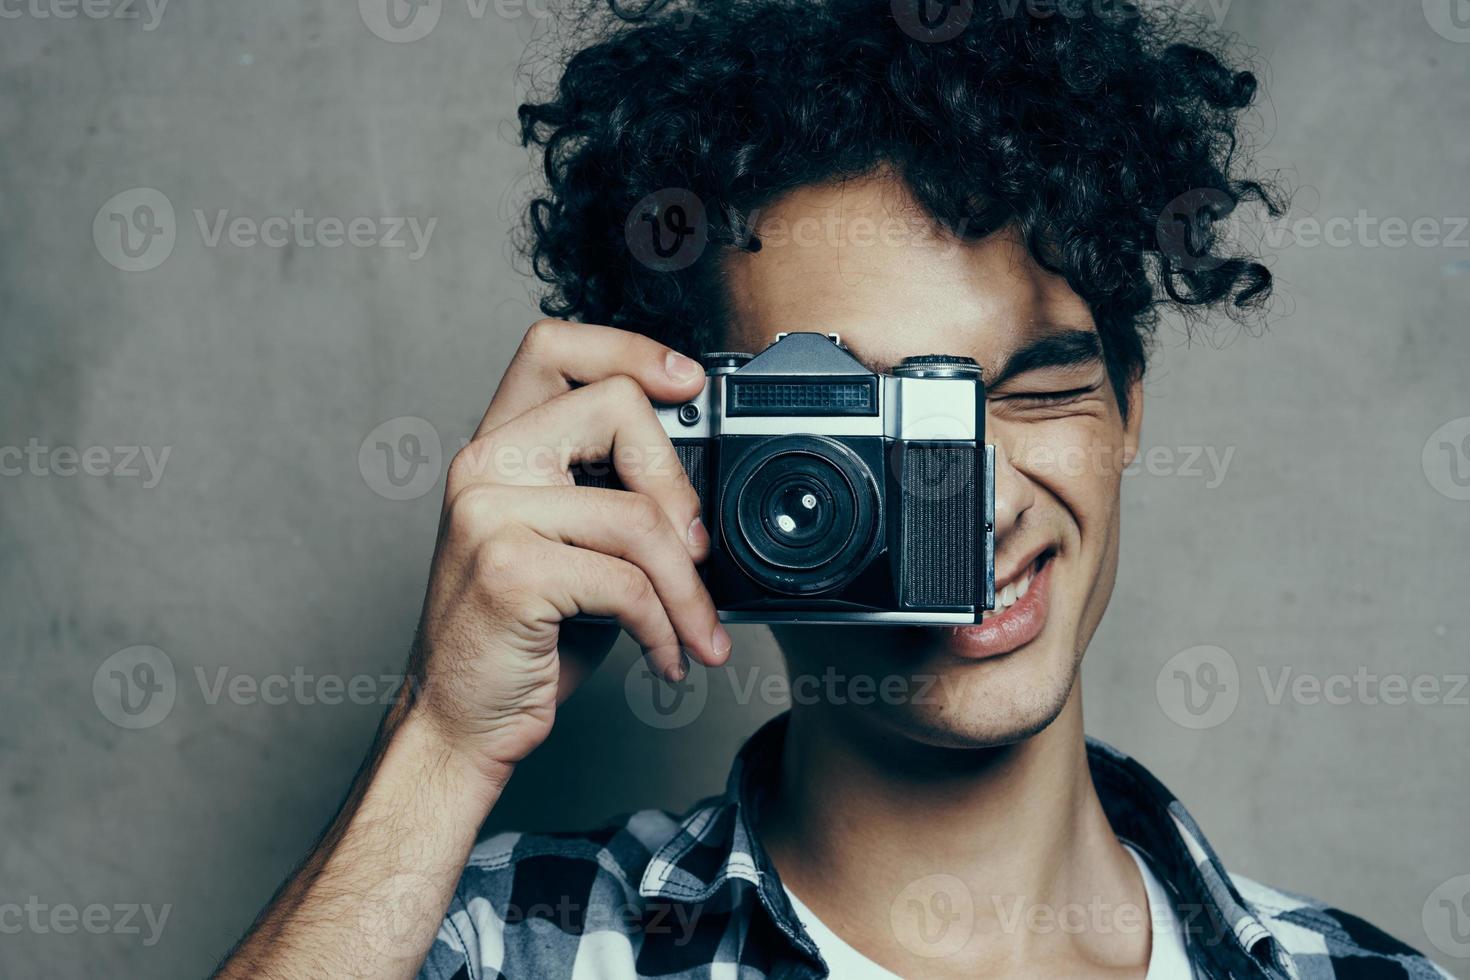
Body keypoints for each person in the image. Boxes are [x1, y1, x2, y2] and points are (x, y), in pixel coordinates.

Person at [215, 2, 1451, 977]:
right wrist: (441, 739)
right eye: (867, 424)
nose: (976, 502)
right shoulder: (512, 942)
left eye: (1032, 389)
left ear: (1129, 405)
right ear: (694, 455)